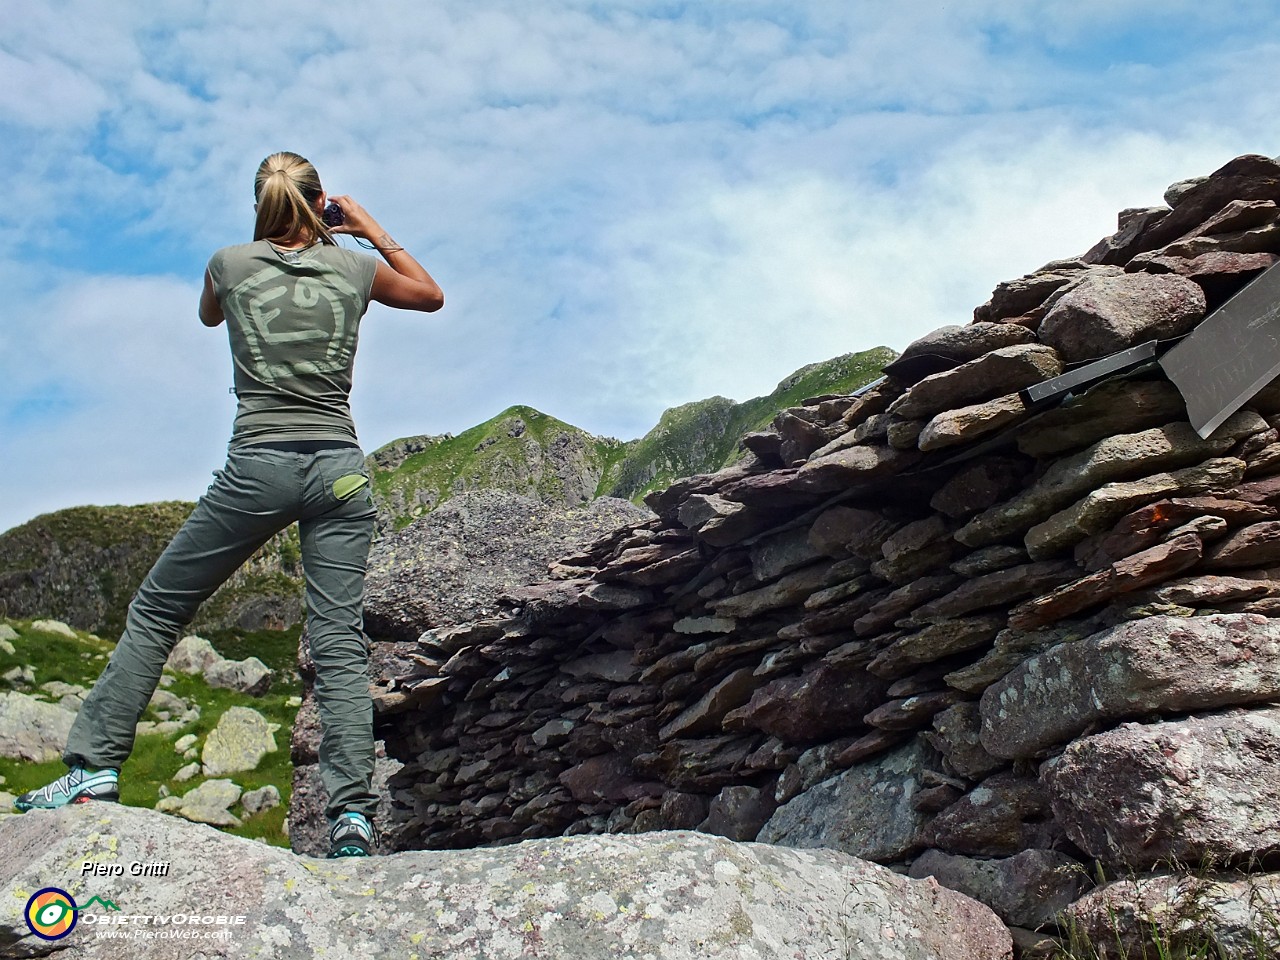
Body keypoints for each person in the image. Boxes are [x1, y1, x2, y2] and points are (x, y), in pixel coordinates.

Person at [14, 151, 444, 859]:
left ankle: (91, 769)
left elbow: (211, 317)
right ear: (317, 205)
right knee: (337, 641)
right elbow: (429, 295)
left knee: (157, 609)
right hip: (339, 470)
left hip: (259, 468)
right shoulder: (357, 270)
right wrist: (365, 226)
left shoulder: (229, 264)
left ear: (261, 203)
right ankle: (352, 818)